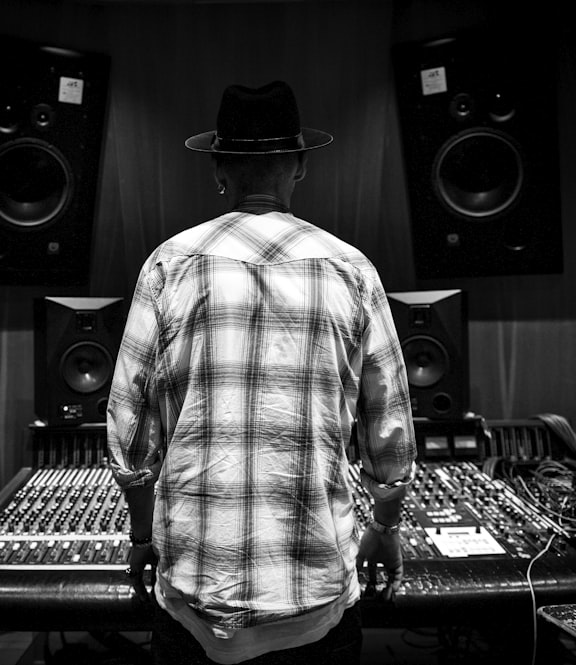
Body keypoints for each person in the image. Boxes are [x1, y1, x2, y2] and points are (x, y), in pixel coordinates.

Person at [106, 80, 416, 665]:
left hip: (195, 602)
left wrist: (142, 538)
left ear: (218, 169)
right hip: (316, 607)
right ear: (299, 167)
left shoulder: (170, 265)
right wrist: (387, 526)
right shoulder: (351, 270)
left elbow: (130, 428)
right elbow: (389, 428)